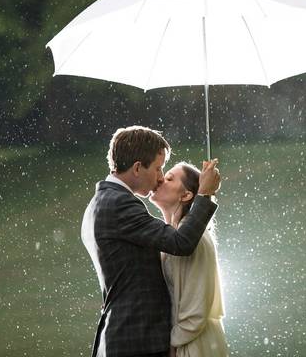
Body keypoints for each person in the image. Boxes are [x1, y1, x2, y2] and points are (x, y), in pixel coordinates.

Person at [82, 126, 221, 357]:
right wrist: (205, 194)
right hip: (137, 342)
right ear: (137, 168)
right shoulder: (120, 205)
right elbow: (182, 243)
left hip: (129, 339)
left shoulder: (102, 201)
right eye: (158, 169)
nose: (159, 178)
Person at [150, 162, 228, 357]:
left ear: (186, 195)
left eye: (169, 178)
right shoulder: (171, 237)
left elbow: (196, 308)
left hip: (194, 345)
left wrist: (172, 344)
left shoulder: (197, 241)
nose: (160, 179)